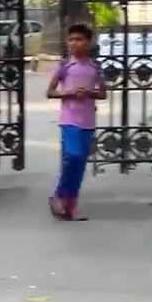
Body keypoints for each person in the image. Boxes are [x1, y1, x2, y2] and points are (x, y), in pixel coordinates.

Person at [45, 24, 106, 221]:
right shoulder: (64, 66)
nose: (73, 43)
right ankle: (59, 196)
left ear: (89, 42)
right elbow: (50, 91)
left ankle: (70, 205)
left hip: (88, 121)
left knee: (79, 164)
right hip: (69, 120)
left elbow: (103, 93)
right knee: (73, 156)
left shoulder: (94, 67)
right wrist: (68, 93)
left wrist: (89, 93)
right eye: (71, 39)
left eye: (78, 39)